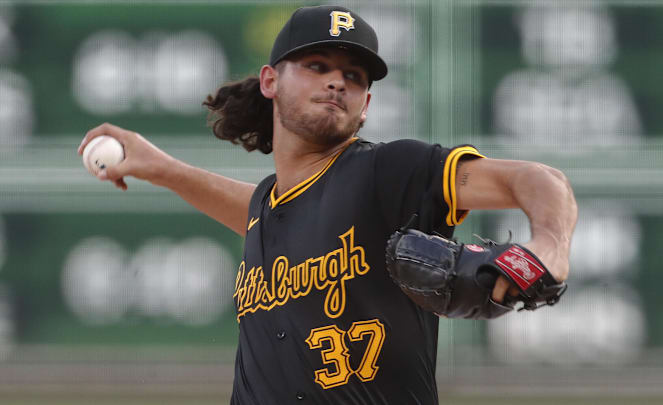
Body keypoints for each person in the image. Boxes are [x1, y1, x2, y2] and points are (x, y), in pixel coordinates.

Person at [77, 5, 577, 405]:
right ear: (271, 81)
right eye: (317, 66)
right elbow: (256, 211)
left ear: (366, 106)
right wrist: (162, 168)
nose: (337, 82)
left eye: (355, 76)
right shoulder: (269, 210)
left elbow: (538, 179)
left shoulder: (388, 172)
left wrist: (549, 248)